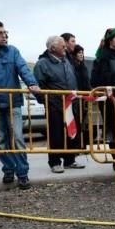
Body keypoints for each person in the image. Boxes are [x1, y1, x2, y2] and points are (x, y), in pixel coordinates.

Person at [0, 20, 40, 189]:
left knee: (17, 138)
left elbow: (23, 68)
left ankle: (23, 173)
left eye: (5, 32)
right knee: (0, 139)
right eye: (0, 33)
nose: (5, 35)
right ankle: (9, 168)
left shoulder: (12, 51)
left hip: (13, 102)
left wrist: (32, 83)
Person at [34, 36, 85, 173]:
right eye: (62, 46)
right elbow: (38, 86)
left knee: (71, 132)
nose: (65, 48)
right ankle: (55, 162)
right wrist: (48, 102)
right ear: (52, 48)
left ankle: (70, 160)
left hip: (71, 104)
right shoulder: (42, 64)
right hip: (54, 106)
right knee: (55, 134)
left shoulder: (66, 61)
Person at [91, 27, 115, 163]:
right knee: (113, 128)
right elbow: (94, 80)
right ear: (110, 40)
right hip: (108, 101)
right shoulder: (102, 57)